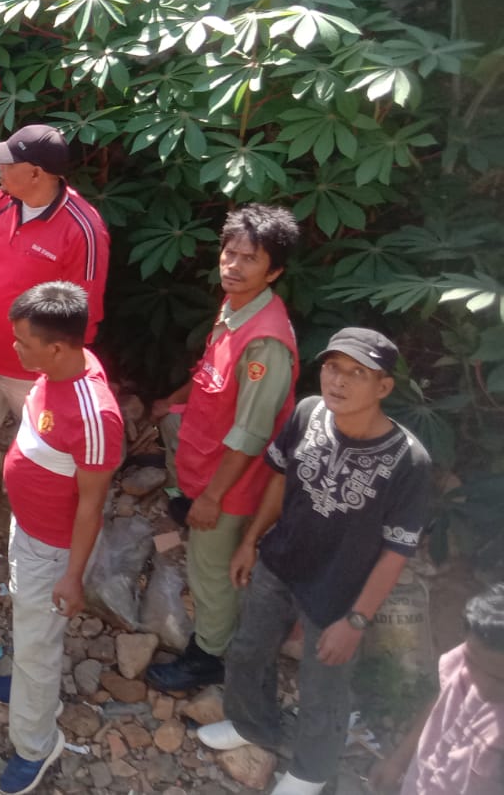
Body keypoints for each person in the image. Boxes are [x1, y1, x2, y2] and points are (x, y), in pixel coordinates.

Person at [198, 328, 433, 795]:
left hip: (339, 588)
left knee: (323, 685)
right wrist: (251, 541)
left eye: (357, 373)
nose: (338, 381)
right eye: (332, 367)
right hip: (280, 561)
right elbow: (280, 479)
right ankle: (251, 726)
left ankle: (311, 770)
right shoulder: (309, 413)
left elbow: (397, 550)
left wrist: (358, 619)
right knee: (248, 650)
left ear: (384, 387)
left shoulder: (410, 461)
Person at [147, 205, 301, 694]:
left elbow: (252, 434)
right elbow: (212, 379)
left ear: (274, 270)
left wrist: (212, 498)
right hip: (205, 461)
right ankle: (188, 500)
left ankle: (209, 656)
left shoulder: (267, 343)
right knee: (206, 554)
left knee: (210, 572)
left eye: (248, 259)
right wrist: (173, 401)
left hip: (231, 484)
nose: (232, 266)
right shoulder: (236, 307)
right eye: (228, 253)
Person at [0, 282, 123, 795]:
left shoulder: (96, 415)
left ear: (58, 348)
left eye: (23, 342)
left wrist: (72, 575)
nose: (15, 348)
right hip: (29, 528)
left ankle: (36, 745)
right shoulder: (54, 371)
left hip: (52, 548)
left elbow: (91, 504)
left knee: (39, 646)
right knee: (30, 624)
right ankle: (27, 692)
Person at [0, 124, 109, 494]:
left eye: (8, 163)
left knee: (38, 432)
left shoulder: (84, 230)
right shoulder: (5, 199)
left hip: (32, 365)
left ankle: (35, 494)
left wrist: (65, 371)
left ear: (36, 173)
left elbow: (85, 309)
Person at [370, 584, 504, 794]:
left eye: (499, 679)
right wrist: (398, 761)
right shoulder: (472, 655)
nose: (480, 685)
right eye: (471, 662)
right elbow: (440, 705)